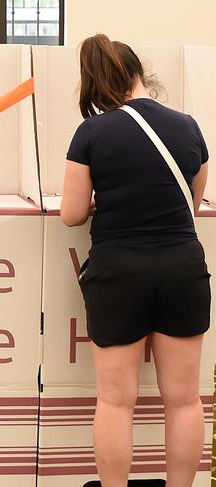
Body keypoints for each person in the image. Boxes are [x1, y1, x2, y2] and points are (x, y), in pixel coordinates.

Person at [60, 34, 211, 487]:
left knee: (115, 402)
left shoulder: (91, 132)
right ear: (140, 73)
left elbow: (70, 213)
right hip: (182, 268)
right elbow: (194, 204)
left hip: (118, 271)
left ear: (98, 84)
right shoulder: (188, 126)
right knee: (184, 401)